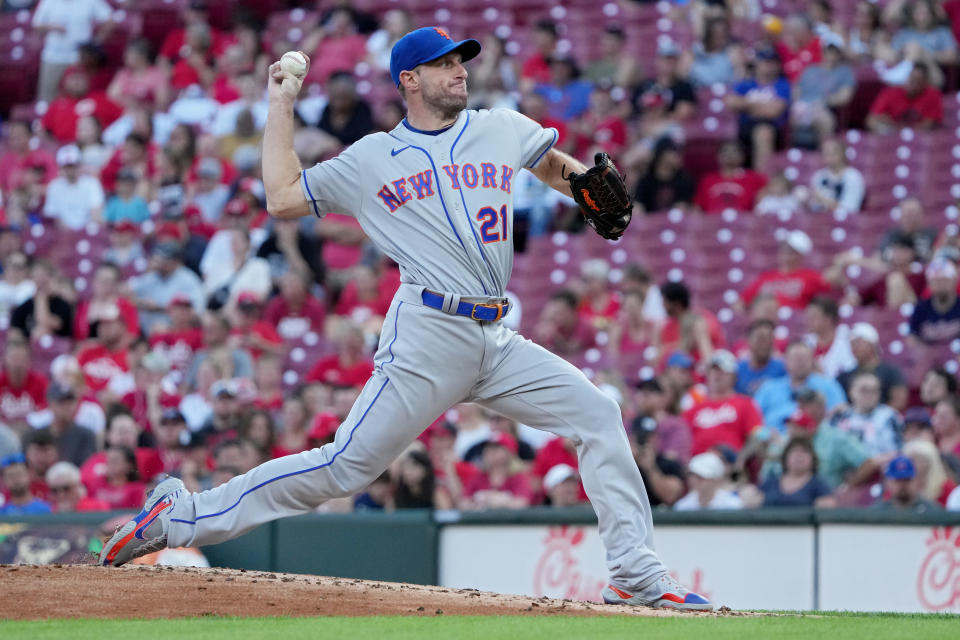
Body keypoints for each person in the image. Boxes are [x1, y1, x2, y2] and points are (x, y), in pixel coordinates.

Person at [100, 28, 713, 611]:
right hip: (427, 334)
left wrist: (581, 185)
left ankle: (634, 576)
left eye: (461, 60)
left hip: (496, 338)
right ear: (410, 80)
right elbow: (283, 196)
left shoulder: (499, 127)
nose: (459, 70)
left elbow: (549, 164)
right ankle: (180, 517)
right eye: (446, 64)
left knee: (598, 414)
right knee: (345, 467)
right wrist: (280, 102)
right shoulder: (373, 158)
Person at [755, 340, 847, 431]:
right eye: (795, 359)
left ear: (812, 361)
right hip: (773, 441)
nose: (800, 363)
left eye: (804, 358)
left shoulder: (828, 385)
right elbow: (753, 418)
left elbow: (841, 411)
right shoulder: (769, 388)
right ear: (785, 361)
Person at [726, 49, 791, 169]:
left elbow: (774, 111)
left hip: (773, 128)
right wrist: (762, 105)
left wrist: (746, 105)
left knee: (763, 132)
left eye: (771, 63)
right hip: (745, 126)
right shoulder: (746, 84)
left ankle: (760, 179)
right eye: (764, 62)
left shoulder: (782, 85)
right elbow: (731, 102)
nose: (768, 66)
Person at [739, 230, 832, 310]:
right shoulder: (766, 277)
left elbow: (832, 281)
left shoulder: (810, 276)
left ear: (799, 255)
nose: (785, 253)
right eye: (783, 249)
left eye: (789, 250)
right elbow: (741, 302)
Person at [836, 323, 908, 411]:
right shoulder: (844, 376)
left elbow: (899, 401)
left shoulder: (891, 372)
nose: (854, 347)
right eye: (852, 344)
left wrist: (876, 417)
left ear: (872, 343)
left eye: (858, 342)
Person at [831, 372, 903, 456]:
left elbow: (898, 451)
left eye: (874, 390)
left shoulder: (890, 417)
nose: (869, 395)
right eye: (864, 390)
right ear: (851, 391)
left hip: (881, 465)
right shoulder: (841, 417)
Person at [693, 141, 768, 214]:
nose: (729, 155)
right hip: (712, 223)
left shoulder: (755, 178)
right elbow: (698, 208)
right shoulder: (707, 180)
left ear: (742, 156)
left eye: (734, 152)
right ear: (718, 156)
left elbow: (766, 198)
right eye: (725, 152)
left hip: (743, 223)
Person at [866, 62, 943, 133]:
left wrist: (903, 130)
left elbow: (930, 124)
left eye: (918, 81)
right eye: (911, 79)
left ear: (925, 83)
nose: (913, 85)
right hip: (892, 137)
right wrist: (886, 128)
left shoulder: (932, 95)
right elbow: (871, 121)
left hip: (918, 140)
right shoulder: (890, 93)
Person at [43, 144, 105, 230]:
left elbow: (96, 213)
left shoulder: (92, 183)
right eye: (67, 167)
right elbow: (54, 216)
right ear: (61, 167)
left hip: (88, 231)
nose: (70, 170)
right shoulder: (54, 187)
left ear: (79, 165)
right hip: (63, 233)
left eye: (73, 166)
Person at [909, 258, 960, 350]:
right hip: (928, 357)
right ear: (929, 284)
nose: (940, 285)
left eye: (944, 280)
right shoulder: (921, 308)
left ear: (954, 281)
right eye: (936, 281)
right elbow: (912, 337)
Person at [806, 138, 865, 213]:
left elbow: (850, 209)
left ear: (842, 154)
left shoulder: (853, 177)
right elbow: (813, 207)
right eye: (825, 153)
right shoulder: (819, 176)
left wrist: (824, 201)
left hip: (844, 222)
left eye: (833, 153)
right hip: (820, 220)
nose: (828, 157)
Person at [673, 452, 743, 511]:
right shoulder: (682, 505)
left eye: (702, 477)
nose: (695, 480)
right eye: (693, 475)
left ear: (716, 480)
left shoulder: (732, 505)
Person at [735, 319, 787, 397]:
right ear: (749, 340)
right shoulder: (737, 371)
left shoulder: (783, 369)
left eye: (769, 339)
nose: (765, 344)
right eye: (760, 339)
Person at [874, 455, 941, 512]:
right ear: (888, 483)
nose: (903, 484)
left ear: (917, 481)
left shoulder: (932, 511)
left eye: (907, 479)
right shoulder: (878, 512)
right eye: (898, 480)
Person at [46, 461, 110, 512]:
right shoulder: (49, 511)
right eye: (54, 490)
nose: (61, 494)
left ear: (77, 487)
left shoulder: (97, 507)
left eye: (66, 488)